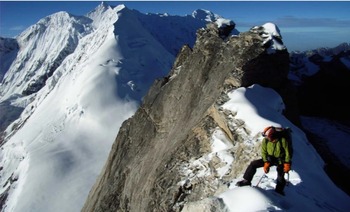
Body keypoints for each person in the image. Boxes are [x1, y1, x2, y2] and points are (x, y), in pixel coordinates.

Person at [235, 126, 292, 195]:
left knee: (280, 175)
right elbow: (264, 152)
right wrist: (266, 162)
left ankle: (279, 190)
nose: (267, 138)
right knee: (253, 164)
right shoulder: (266, 140)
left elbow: (287, 152)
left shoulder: (282, 140)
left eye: (268, 136)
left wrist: (287, 163)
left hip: (281, 160)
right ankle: (247, 180)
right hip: (270, 159)